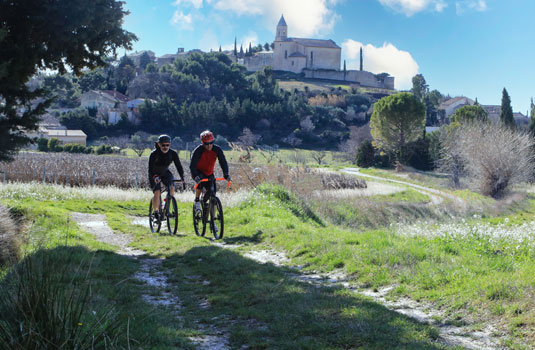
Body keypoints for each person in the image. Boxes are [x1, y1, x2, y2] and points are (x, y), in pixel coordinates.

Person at [189, 130, 230, 212]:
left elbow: (223, 162)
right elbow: (192, 165)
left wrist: (226, 174)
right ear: (202, 143)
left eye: (211, 143)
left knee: (213, 196)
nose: (209, 145)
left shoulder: (217, 149)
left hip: (209, 173)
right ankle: (197, 200)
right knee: (200, 181)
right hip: (198, 171)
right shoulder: (198, 150)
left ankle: (213, 221)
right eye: (206, 143)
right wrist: (195, 176)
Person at [148, 135, 184, 220]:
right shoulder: (154, 154)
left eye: (167, 145)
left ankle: (166, 206)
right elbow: (150, 168)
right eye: (163, 145)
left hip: (165, 173)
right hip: (154, 174)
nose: (165, 147)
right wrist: (155, 176)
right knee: (157, 192)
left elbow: (178, 166)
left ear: (170, 145)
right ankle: (156, 211)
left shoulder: (173, 153)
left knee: (172, 188)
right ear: (159, 144)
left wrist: (182, 177)